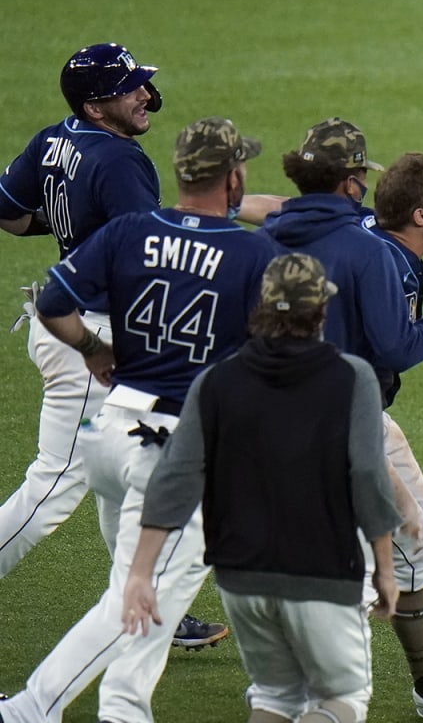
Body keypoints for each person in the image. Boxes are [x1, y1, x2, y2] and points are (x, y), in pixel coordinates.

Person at [0, 118, 278, 723]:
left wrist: (97, 353)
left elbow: (52, 303)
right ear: (232, 177)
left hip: (113, 432)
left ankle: (124, 712)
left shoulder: (130, 229)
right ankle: (29, 709)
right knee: (133, 597)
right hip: (173, 452)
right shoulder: (252, 251)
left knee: (144, 591)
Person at [261, 120, 423, 719]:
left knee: (416, 513)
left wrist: (210, 204)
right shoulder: (375, 256)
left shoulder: (318, 226)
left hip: (330, 410)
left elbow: (273, 209)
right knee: (412, 552)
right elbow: (394, 348)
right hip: (338, 422)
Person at [0, 41, 232, 652]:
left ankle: (142, 603)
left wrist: (71, 216)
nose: (143, 94)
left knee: (121, 475)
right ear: (98, 106)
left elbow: (11, 214)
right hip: (89, 340)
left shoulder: (54, 140)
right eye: (129, 87)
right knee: (52, 488)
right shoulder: (123, 163)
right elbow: (146, 254)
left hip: (77, 323)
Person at [121, 253, 402, 723]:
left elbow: (174, 477)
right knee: (343, 701)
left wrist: (140, 573)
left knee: (274, 698)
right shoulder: (352, 378)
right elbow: (369, 476)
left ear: (262, 308)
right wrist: (387, 569)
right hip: (322, 572)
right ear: (321, 311)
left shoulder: (215, 380)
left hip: (240, 576)